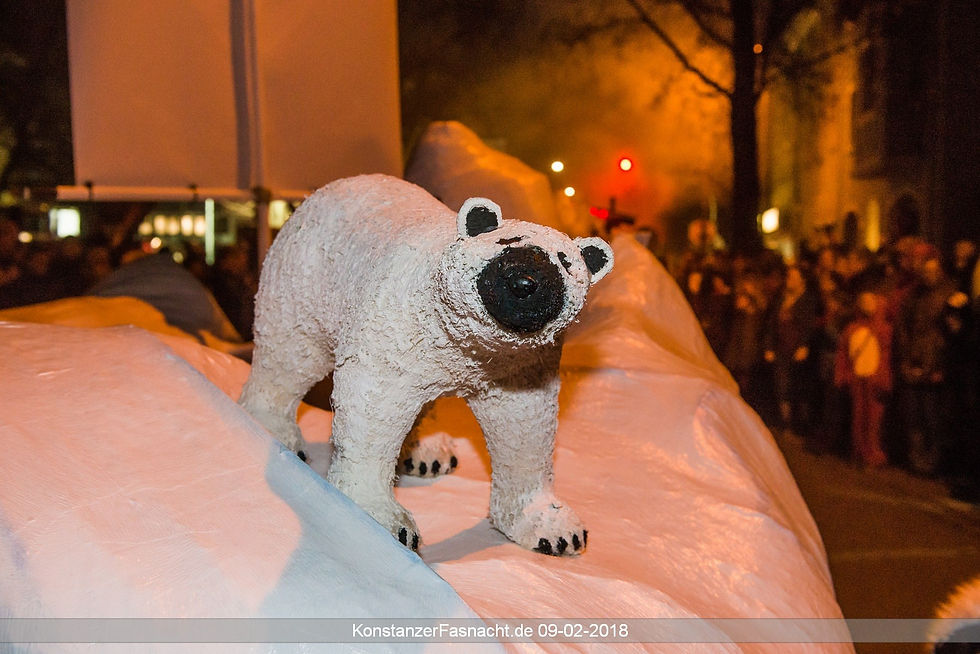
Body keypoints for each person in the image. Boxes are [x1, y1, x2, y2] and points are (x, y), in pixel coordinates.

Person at [835, 290, 892, 467]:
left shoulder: (884, 330)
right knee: (858, 416)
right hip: (857, 377)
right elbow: (843, 354)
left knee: (874, 419)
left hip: (874, 379)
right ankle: (859, 451)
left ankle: (872, 452)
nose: (867, 305)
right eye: (863, 302)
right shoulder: (852, 329)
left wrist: (883, 378)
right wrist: (842, 375)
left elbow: (886, 356)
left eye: (870, 302)